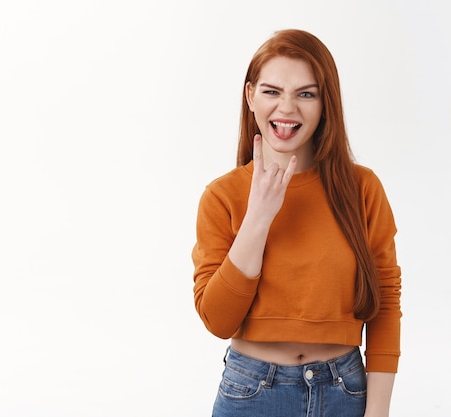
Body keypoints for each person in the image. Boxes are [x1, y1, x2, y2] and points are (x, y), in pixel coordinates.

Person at [191, 29, 401, 417]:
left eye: (306, 93)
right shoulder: (222, 196)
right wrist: (258, 219)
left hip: (346, 391)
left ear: (326, 103)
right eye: (272, 91)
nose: (287, 108)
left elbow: (385, 300)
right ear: (250, 95)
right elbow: (218, 320)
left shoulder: (362, 188)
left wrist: (378, 411)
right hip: (251, 393)